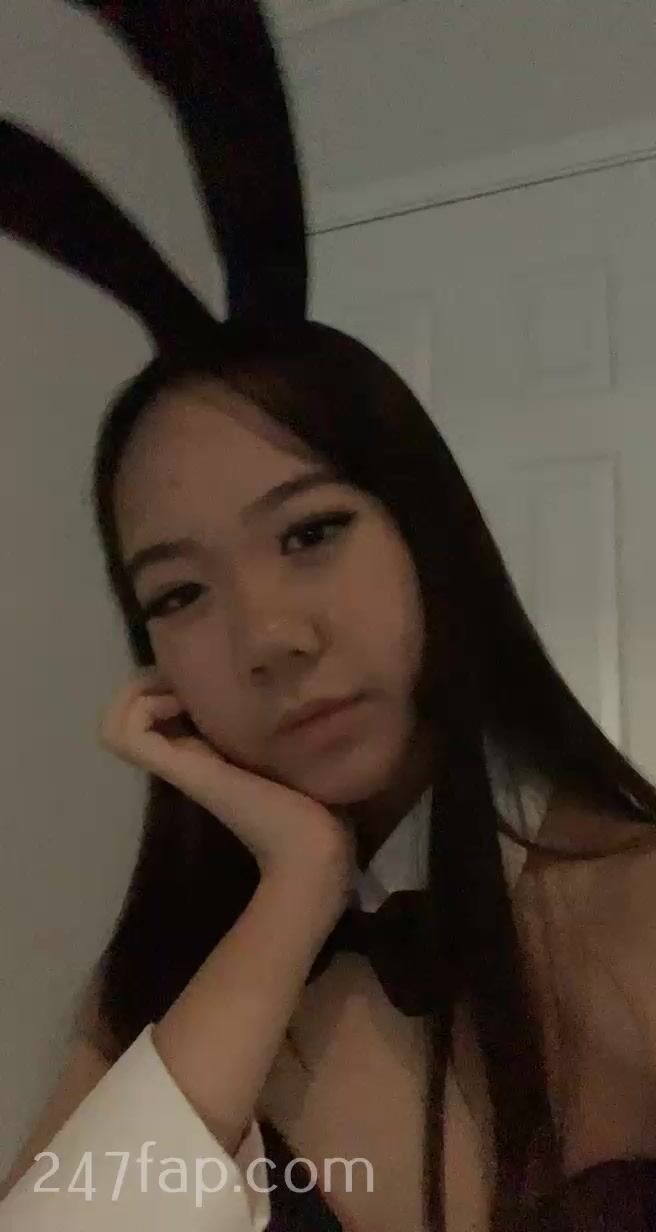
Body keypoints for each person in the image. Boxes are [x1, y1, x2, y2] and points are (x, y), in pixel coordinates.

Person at [2, 4, 656, 1232]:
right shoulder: (163, 981)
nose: (268, 637)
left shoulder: (632, 902)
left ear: (427, 533)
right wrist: (295, 884)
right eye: (178, 592)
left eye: (309, 532)